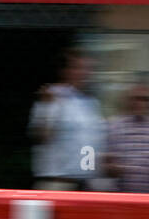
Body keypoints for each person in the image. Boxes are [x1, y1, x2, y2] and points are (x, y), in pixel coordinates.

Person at [27, 50, 105, 190]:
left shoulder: (91, 103)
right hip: (56, 183)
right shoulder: (52, 96)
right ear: (65, 71)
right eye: (78, 68)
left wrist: (90, 173)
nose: (84, 73)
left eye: (87, 68)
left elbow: (90, 143)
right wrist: (46, 108)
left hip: (84, 184)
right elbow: (41, 137)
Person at [104, 82, 149, 193]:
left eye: (146, 99)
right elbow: (107, 166)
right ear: (128, 101)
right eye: (136, 99)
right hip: (124, 196)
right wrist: (114, 168)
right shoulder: (116, 127)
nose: (140, 103)